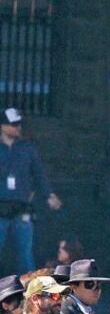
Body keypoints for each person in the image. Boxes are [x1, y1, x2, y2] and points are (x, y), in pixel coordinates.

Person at [0, 108, 62, 273]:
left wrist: (49, 194)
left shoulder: (27, 148)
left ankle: (30, 293)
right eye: (14, 124)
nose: (18, 127)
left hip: (22, 205)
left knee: (25, 252)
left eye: (19, 124)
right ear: (3, 126)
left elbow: (39, 173)